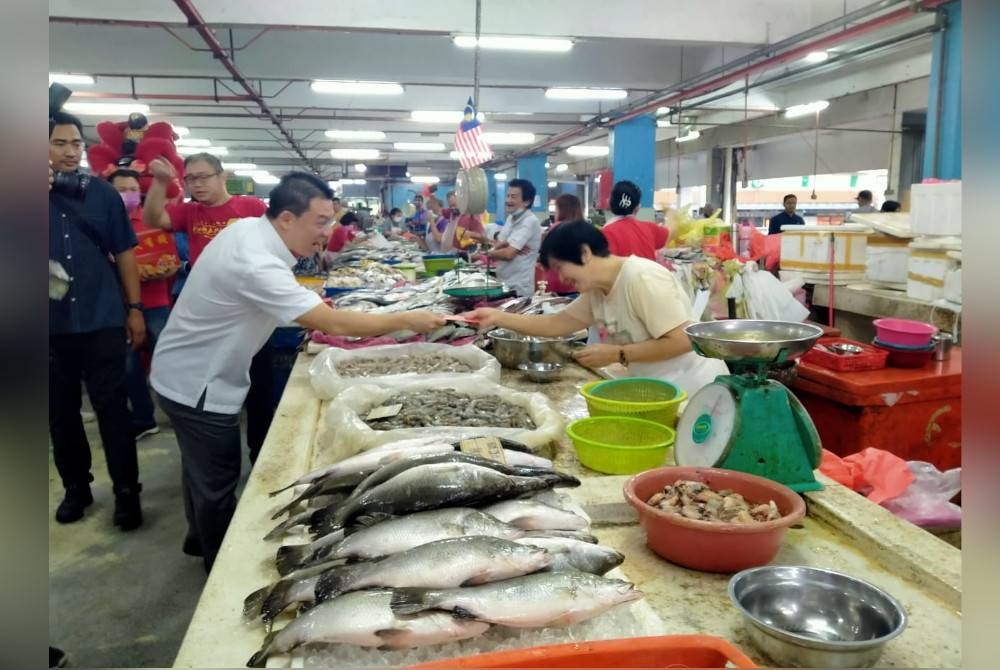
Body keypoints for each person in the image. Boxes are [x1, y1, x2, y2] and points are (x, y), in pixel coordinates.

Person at [150, 172, 445, 570]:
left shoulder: (249, 232)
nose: (326, 232)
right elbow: (333, 323)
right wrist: (407, 318)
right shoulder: (254, 261)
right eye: (320, 222)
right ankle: (218, 565)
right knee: (216, 481)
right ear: (287, 218)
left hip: (183, 368)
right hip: (197, 383)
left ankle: (197, 538)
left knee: (199, 471)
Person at [466, 221, 728, 397]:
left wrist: (617, 353)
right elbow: (554, 325)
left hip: (694, 389)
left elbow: (685, 340)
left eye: (560, 268)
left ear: (584, 253)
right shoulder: (596, 291)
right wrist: (497, 316)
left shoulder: (641, 278)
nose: (561, 278)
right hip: (657, 388)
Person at [144, 153, 276, 463]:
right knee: (216, 388)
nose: (197, 184)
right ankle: (219, 454)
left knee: (260, 389)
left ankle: (260, 453)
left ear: (221, 176)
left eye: (204, 177)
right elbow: (152, 219)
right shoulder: (189, 213)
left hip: (250, 315)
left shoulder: (252, 208)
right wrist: (162, 182)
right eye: (190, 179)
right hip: (211, 320)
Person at [48, 110, 145, 529]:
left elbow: (125, 252)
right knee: (59, 411)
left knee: (113, 409)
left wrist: (135, 307)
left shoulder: (101, 194)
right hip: (47, 324)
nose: (71, 152)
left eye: (76, 144)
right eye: (59, 144)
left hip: (102, 316)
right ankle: (76, 488)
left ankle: (127, 493)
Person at [109, 168, 179, 441]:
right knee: (128, 365)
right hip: (118, 306)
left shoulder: (150, 220)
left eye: (132, 189)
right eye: (121, 190)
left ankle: (181, 412)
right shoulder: (103, 222)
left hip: (156, 301)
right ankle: (143, 417)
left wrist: (165, 269)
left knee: (169, 360)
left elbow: (170, 260)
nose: (128, 195)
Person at [487, 178, 542, 297]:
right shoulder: (510, 218)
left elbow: (508, 254)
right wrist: (505, 247)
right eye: (508, 196)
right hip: (504, 282)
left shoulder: (530, 221)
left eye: (513, 197)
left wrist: (488, 253)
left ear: (526, 201)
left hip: (519, 288)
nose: (508, 200)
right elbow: (500, 244)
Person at [601, 180, 669, 261]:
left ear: (609, 203)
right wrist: (670, 214)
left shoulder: (606, 233)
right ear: (637, 208)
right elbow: (668, 233)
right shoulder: (651, 228)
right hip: (649, 273)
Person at [540, 194, 583, 296]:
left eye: (556, 209)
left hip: (556, 282)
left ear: (562, 209)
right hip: (576, 283)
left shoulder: (556, 227)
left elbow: (545, 255)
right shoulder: (582, 228)